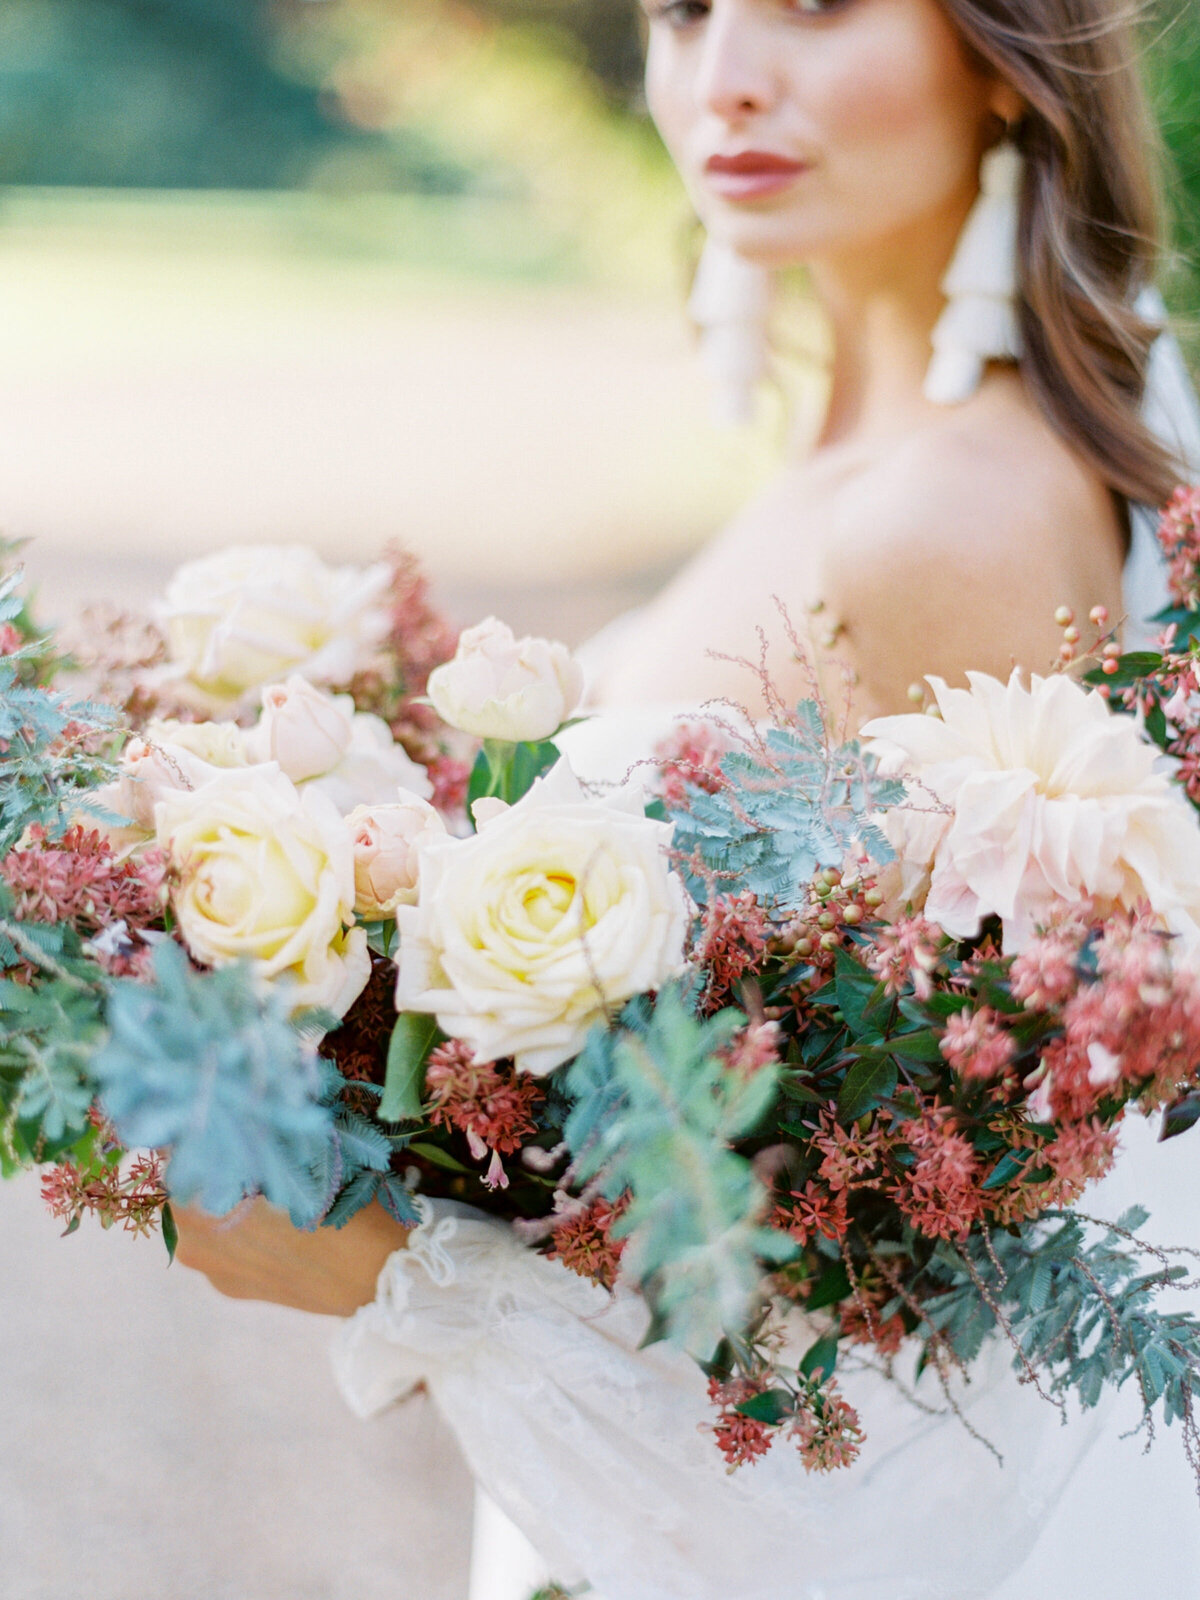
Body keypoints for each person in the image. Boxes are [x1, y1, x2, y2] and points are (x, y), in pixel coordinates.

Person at [174, 1, 1200, 1595]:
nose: (721, 76)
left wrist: (404, 1272)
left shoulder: (950, 525)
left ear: (1008, 53)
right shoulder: (856, 455)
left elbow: (969, 1386)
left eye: (810, 3)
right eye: (679, 8)